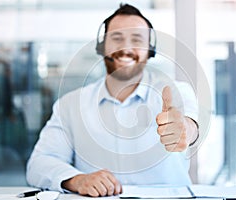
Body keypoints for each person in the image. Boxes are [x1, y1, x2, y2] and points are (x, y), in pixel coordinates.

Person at [26, 3, 199, 197]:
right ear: (102, 46)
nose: (126, 48)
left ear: (150, 50)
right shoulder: (70, 105)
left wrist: (184, 129)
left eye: (136, 39)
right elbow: (39, 164)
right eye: (117, 38)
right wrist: (77, 179)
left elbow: (190, 126)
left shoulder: (177, 91)